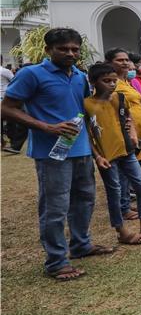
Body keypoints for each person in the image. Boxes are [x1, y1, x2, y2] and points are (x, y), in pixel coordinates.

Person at [1, 28, 113, 280]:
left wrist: (96, 153)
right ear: (48, 50)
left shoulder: (80, 77)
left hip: (82, 150)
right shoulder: (32, 74)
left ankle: (81, 245)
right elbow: (6, 109)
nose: (70, 53)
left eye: (74, 49)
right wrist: (47, 127)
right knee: (55, 208)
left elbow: (83, 115)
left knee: (84, 201)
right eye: (63, 49)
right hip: (51, 154)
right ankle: (56, 261)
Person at [84, 63, 141, 245]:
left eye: (114, 81)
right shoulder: (87, 104)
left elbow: (127, 115)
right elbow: (87, 134)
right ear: (93, 82)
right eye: (106, 81)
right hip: (107, 156)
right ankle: (121, 230)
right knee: (114, 192)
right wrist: (97, 156)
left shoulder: (119, 98)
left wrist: (132, 133)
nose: (112, 84)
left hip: (127, 151)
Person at [107, 49, 141, 218]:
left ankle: (125, 203)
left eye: (127, 60)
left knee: (132, 170)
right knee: (123, 172)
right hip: (123, 132)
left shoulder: (126, 81)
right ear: (110, 62)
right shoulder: (112, 82)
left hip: (137, 130)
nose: (125, 63)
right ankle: (123, 206)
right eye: (120, 60)